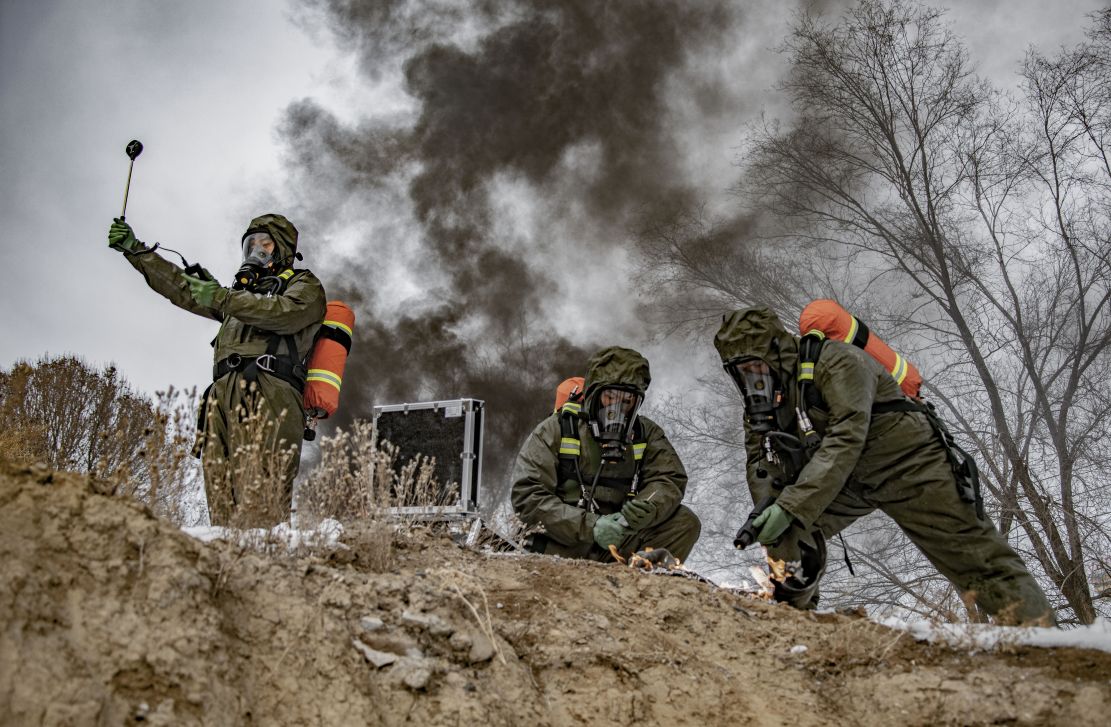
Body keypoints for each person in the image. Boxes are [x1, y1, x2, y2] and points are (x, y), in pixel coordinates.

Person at [714, 306, 1055, 625]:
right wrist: (768, 508)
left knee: (977, 559)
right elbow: (761, 460)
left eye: (755, 364)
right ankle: (793, 621)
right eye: (740, 370)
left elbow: (847, 438)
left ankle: (1043, 639)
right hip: (851, 480)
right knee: (788, 530)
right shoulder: (764, 403)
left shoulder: (838, 361)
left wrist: (790, 505)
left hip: (910, 466)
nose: (751, 376)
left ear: (776, 350)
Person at [107, 213, 326, 527]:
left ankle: (264, 565)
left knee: (262, 500)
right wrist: (135, 250)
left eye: (265, 243)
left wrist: (224, 297)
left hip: (269, 394)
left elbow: (285, 314)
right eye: (251, 244)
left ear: (283, 250)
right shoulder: (238, 299)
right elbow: (182, 288)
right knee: (221, 499)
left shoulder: (304, 286)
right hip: (221, 398)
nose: (257, 251)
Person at [511, 346, 701, 562]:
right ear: (593, 395)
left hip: (618, 543)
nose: (617, 408)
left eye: (627, 401)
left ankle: (638, 583)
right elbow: (527, 497)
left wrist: (646, 506)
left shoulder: (646, 434)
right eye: (610, 397)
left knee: (685, 521)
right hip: (561, 547)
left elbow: (669, 479)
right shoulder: (556, 430)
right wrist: (591, 526)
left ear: (636, 402)